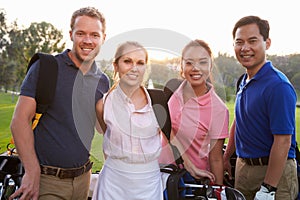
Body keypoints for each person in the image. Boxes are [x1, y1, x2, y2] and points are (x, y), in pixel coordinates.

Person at [9, 7, 109, 200]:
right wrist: (32, 172)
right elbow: (20, 120)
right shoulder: (46, 67)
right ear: (71, 34)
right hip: (46, 181)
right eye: (81, 33)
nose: (88, 40)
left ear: (103, 37)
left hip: (83, 179)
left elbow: (102, 127)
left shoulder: (103, 80)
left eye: (94, 35)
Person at [223, 15, 298, 200]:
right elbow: (239, 121)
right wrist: (226, 157)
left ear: (267, 43)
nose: (245, 48)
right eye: (239, 42)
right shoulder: (243, 81)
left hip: (274, 175)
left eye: (252, 41)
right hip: (243, 169)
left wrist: (268, 189)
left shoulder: (278, 85)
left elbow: (283, 141)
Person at [92, 41, 164, 200]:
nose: (134, 68)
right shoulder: (103, 105)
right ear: (116, 66)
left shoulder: (160, 103)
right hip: (112, 185)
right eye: (127, 61)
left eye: (140, 63)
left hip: (149, 185)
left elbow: (174, 141)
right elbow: (108, 138)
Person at [160, 39, 229, 186]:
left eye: (202, 62)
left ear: (210, 66)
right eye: (189, 62)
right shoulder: (171, 91)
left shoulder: (218, 109)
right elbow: (163, 129)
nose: (195, 68)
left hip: (191, 181)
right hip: (160, 174)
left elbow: (216, 158)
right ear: (182, 67)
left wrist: (217, 191)